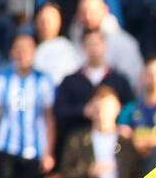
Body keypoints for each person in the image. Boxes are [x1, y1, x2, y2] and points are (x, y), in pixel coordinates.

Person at [0, 30, 56, 178]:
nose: (22, 53)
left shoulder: (43, 81)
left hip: (35, 150)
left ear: (34, 52)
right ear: (11, 53)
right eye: (18, 48)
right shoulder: (2, 79)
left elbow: (49, 120)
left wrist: (48, 152)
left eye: (27, 48)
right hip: (7, 148)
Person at [54, 28, 136, 161]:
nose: (93, 49)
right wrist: (83, 110)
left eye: (97, 44)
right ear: (82, 47)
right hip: (79, 147)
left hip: (114, 145)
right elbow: (59, 111)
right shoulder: (70, 81)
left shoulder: (118, 79)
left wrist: (122, 124)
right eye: (89, 44)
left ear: (105, 46)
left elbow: (131, 107)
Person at [33, 2, 83, 87]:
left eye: (50, 20)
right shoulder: (29, 48)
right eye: (42, 20)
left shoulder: (67, 48)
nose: (46, 24)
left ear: (59, 22)